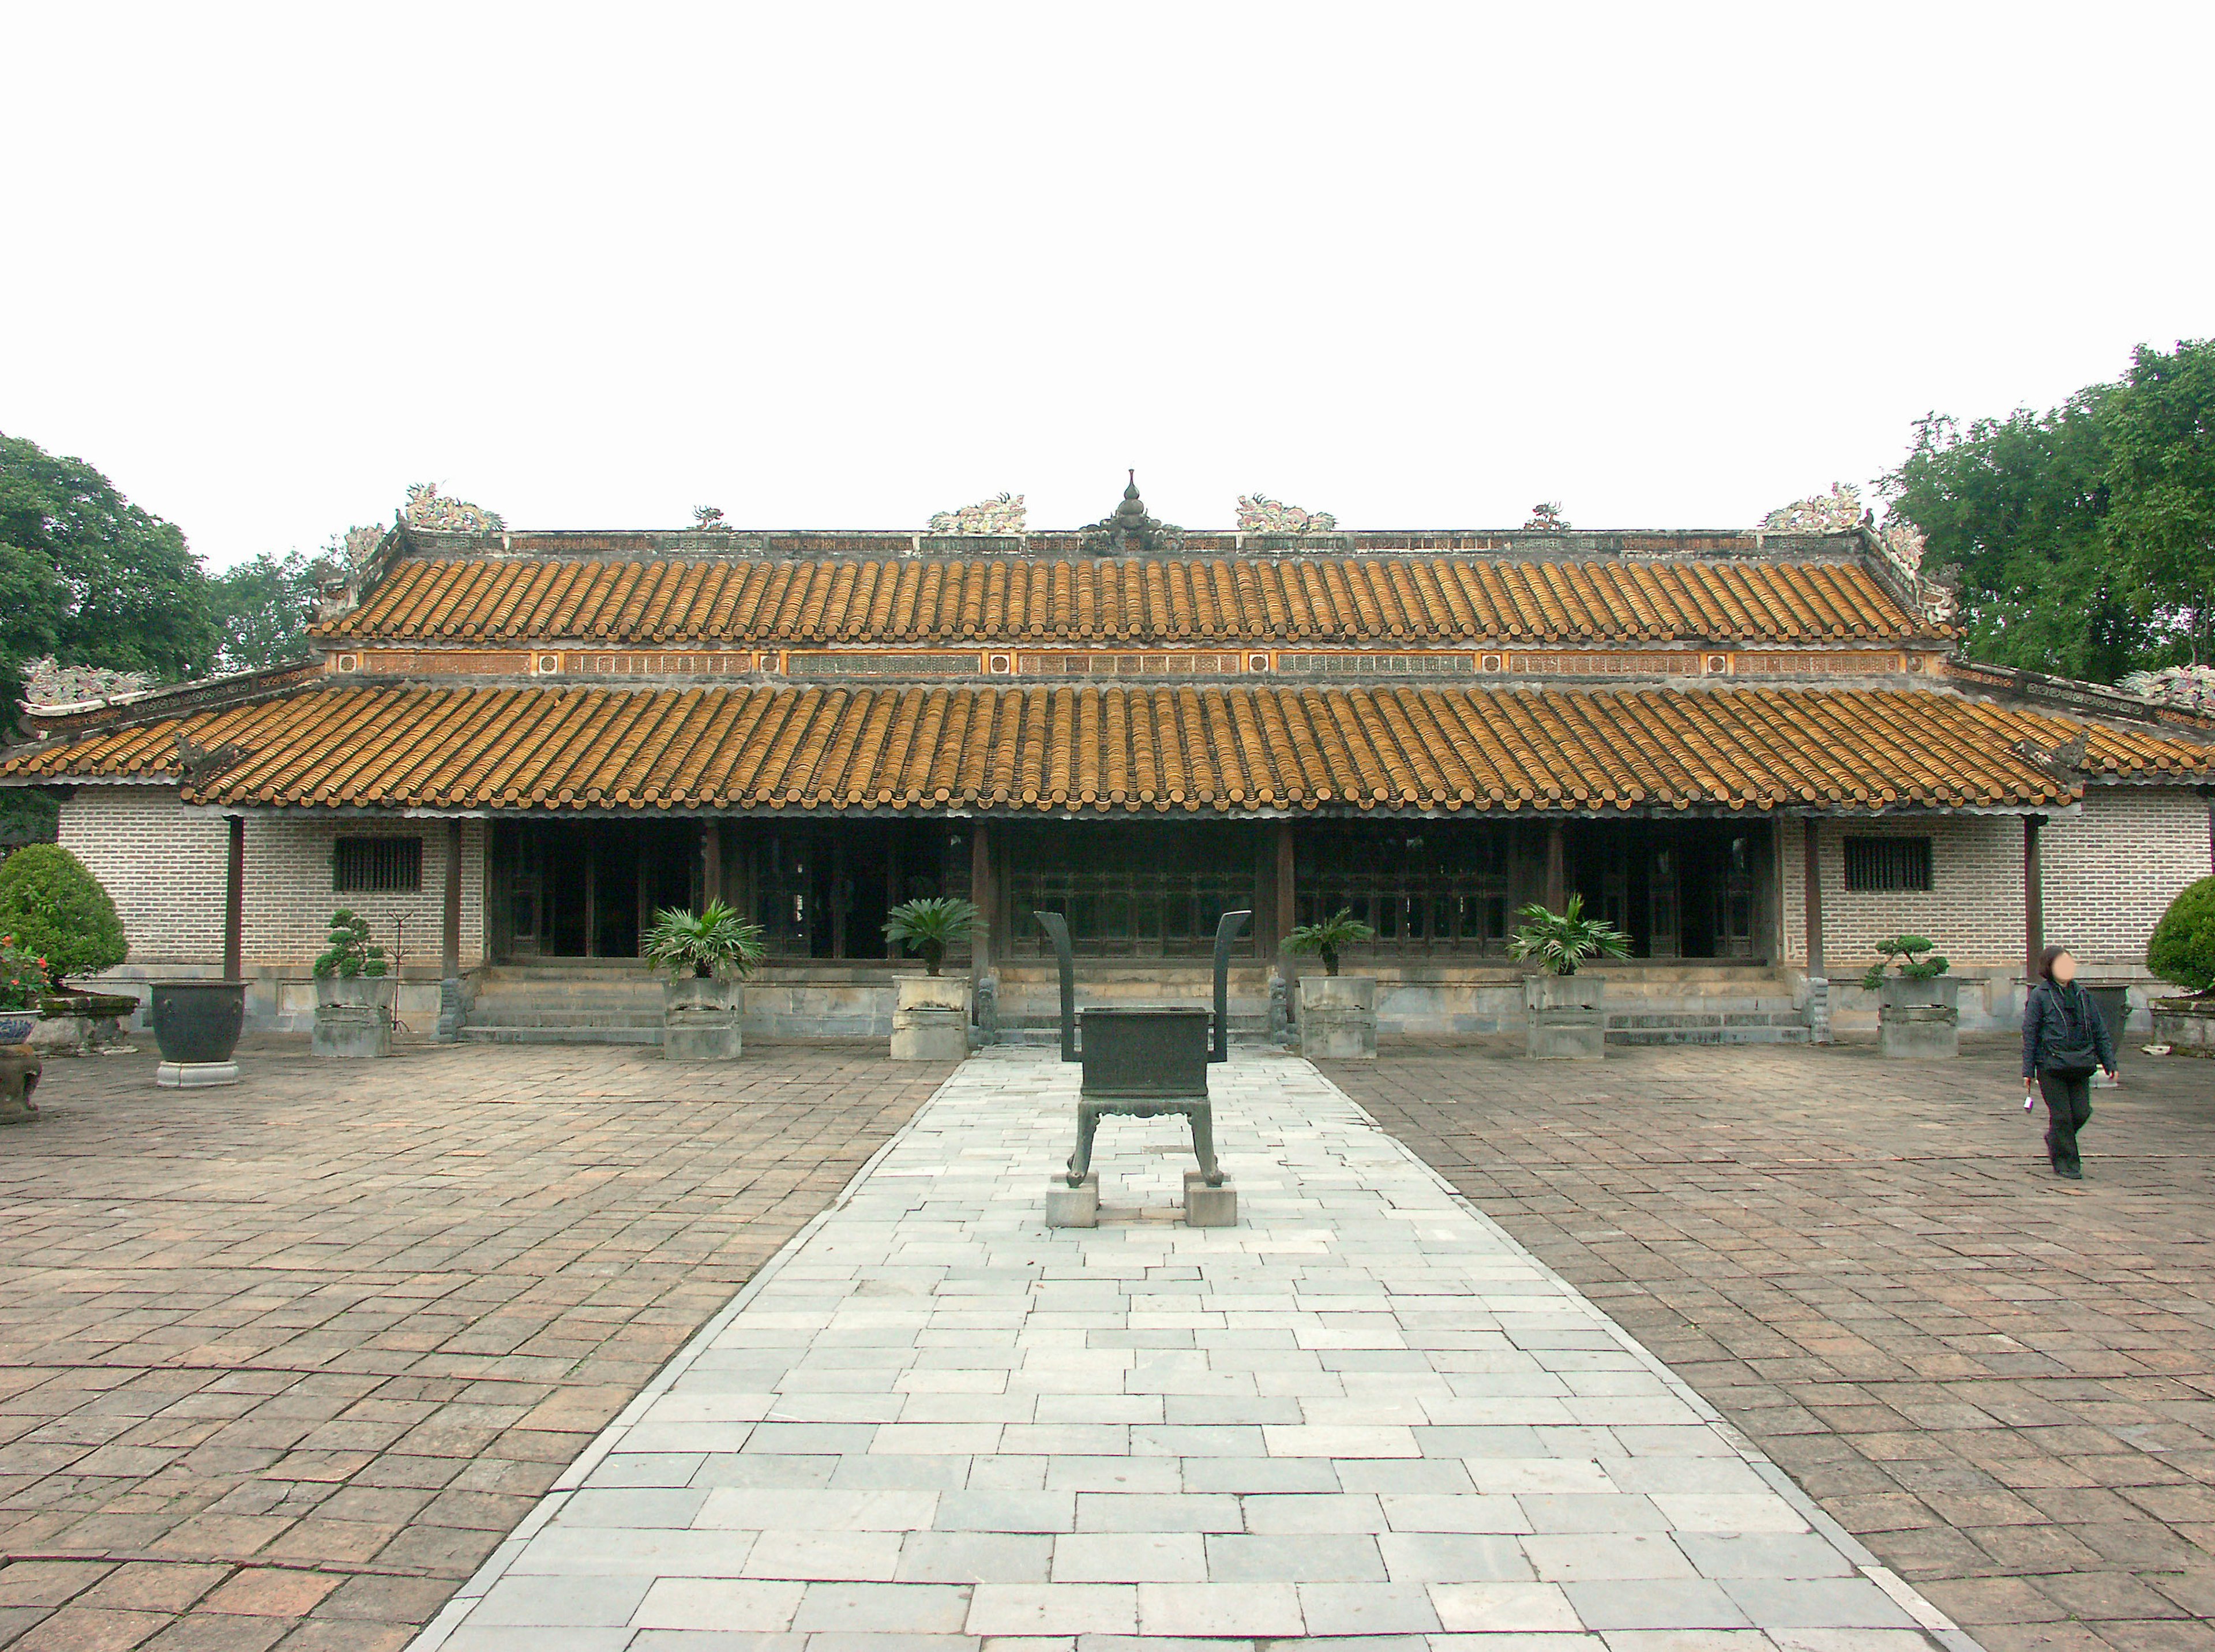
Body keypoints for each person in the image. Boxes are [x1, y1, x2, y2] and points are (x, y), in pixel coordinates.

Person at [2022, 945, 2118, 1180]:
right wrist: (2028, 1070)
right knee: (2062, 1116)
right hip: (2051, 1065)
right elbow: (2031, 1033)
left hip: (2080, 1063)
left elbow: (2099, 1029)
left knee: (2081, 1112)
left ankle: (2056, 1139)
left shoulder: (2082, 995)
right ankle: (2068, 1162)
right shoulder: (2040, 996)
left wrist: (2109, 1061)